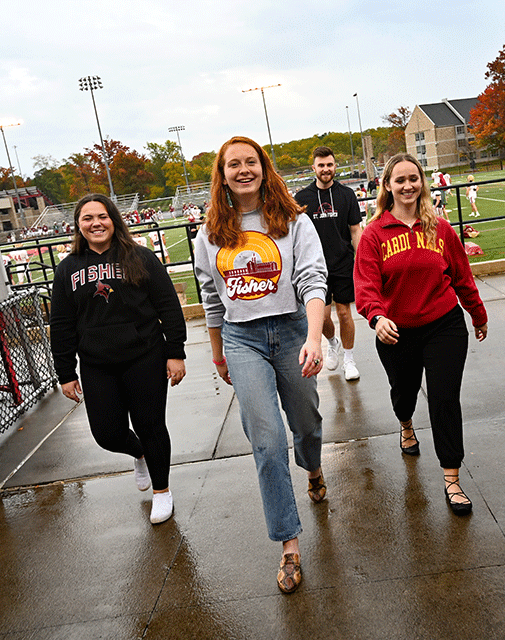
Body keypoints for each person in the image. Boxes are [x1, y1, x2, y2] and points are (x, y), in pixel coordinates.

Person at [193, 136, 328, 594]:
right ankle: (289, 545)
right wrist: (217, 351)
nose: (243, 169)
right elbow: (211, 298)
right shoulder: (210, 232)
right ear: (223, 174)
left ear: (263, 168)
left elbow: (312, 279)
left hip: (291, 329)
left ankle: (313, 468)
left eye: (251, 161)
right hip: (242, 338)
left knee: (305, 423)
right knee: (267, 440)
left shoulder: (292, 221)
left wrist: (313, 337)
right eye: (234, 164)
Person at [354, 152, 488, 517]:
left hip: (444, 325)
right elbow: (365, 285)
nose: (408, 185)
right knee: (404, 392)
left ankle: (452, 478)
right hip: (396, 332)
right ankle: (405, 423)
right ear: (387, 186)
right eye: (400, 180)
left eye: (414, 178)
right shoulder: (374, 235)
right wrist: (376, 317)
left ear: (422, 182)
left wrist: (477, 314)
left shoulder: (440, 229)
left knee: (444, 399)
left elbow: (462, 276)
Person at [49, 193, 187, 525]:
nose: (95, 223)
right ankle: (138, 453)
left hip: (145, 356)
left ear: (114, 220)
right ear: (78, 226)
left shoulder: (140, 257)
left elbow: (168, 305)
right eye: (87, 218)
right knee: (107, 433)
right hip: (97, 363)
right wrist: (65, 371)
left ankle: (162, 491)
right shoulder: (68, 268)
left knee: (151, 425)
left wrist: (175, 352)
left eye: (102, 216)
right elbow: (62, 323)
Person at [294, 146, 364, 381]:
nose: (326, 169)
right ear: (313, 168)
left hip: (343, 263)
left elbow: (355, 230)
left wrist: (362, 260)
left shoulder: (347, 195)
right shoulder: (302, 198)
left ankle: (350, 359)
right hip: (315, 267)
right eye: (321, 165)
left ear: (335, 167)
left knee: (345, 313)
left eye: (330, 165)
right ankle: (332, 343)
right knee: (322, 318)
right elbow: (293, 234)